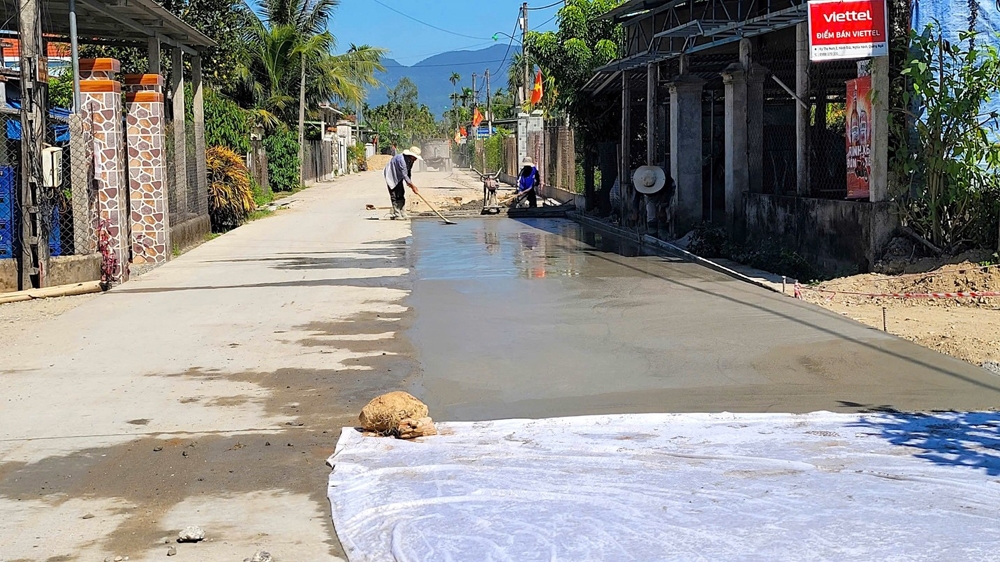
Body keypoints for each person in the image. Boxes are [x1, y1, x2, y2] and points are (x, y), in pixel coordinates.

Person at [383, 146, 422, 219]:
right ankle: (397, 214)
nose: (416, 159)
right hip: (391, 174)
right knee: (394, 193)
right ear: (411, 155)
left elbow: (408, 172)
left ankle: (402, 212)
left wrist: (410, 183)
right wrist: (412, 186)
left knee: (401, 192)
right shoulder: (401, 160)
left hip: (399, 175)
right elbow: (404, 174)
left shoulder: (411, 160)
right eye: (415, 157)